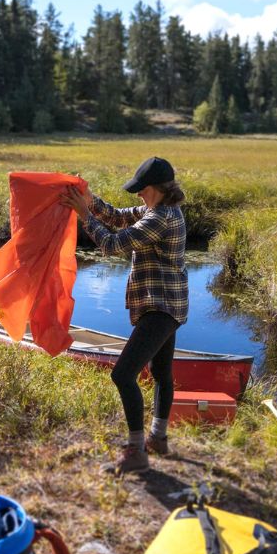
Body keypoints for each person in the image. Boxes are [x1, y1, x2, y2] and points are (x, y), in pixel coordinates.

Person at [61, 157, 188, 475]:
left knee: (122, 375)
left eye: (141, 190)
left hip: (161, 308)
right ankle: (157, 439)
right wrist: (90, 200)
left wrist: (84, 215)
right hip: (166, 305)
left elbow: (113, 243)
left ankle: (137, 453)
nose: (137, 196)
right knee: (161, 374)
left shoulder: (161, 218)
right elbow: (118, 218)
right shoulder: (155, 211)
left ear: (155, 189)